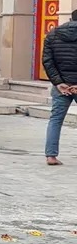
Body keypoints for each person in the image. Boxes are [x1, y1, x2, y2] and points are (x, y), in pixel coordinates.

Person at [41, 10, 77, 165]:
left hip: (61, 86)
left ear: (70, 19)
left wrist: (58, 83)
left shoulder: (52, 34)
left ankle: (51, 156)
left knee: (55, 120)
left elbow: (47, 61)